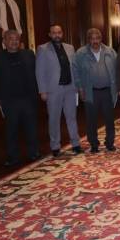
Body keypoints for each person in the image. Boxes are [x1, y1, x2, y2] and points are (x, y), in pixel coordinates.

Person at [0, 30, 39, 167]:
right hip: (9, 100)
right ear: (4, 41)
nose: (14, 41)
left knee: (31, 128)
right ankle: (13, 157)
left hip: (28, 98)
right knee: (11, 130)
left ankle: (33, 152)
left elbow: (37, 74)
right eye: (10, 39)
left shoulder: (29, 54)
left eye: (16, 38)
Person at [36, 24, 82, 157]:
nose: (57, 35)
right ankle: (55, 146)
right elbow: (39, 71)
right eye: (54, 33)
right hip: (53, 90)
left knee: (71, 117)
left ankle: (76, 144)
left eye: (59, 32)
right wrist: (42, 91)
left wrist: (77, 85)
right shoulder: (43, 49)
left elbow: (75, 68)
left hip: (70, 88)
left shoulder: (70, 48)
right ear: (50, 35)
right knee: (54, 118)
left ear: (62, 33)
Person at [73, 28, 117, 153]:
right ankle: (93, 144)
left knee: (109, 119)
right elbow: (76, 72)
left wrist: (117, 87)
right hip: (90, 91)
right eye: (92, 39)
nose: (95, 41)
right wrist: (80, 88)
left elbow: (117, 69)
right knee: (91, 120)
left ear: (101, 39)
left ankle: (110, 143)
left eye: (97, 38)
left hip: (107, 91)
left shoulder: (110, 52)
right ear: (88, 40)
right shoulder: (81, 53)